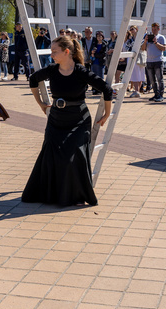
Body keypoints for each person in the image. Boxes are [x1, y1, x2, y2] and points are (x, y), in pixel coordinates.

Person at [23, 36, 112, 206]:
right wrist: (41, 103)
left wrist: (107, 114)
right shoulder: (52, 70)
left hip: (79, 121)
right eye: (51, 52)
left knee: (72, 155)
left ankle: (76, 195)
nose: (52, 55)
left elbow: (106, 89)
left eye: (55, 52)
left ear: (67, 52)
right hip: (56, 120)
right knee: (49, 152)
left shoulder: (80, 71)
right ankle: (50, 194)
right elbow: (33, 79)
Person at [141, 22, 166, 102]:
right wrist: (145, 41)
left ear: (158, 29)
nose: (153, 31)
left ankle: (161, 95)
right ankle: (156, 94)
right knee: (152, 80)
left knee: (160, 79)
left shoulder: (161, 37)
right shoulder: (147, 37)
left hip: (158, 61)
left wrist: (156, 42)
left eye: (155, 29)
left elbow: (164, 48)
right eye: (152, 29)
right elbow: (143, 49)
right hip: (149, 61)